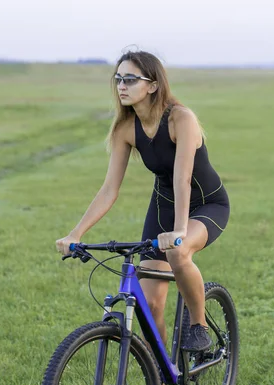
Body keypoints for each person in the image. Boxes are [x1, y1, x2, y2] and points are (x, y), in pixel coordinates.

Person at [55, 49, 230, 359]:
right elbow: (110, 189)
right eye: (119, 78)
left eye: (131, 79)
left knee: (178, 251)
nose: (122, 85)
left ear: (152, 85)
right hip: (164, 208)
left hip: (205, 205)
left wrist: (178, 231)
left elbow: (183, 177)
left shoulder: (181, 118)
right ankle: (160, 383)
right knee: (150, 307)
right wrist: (76, 233)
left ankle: (199, 326)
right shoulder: (126, 128)